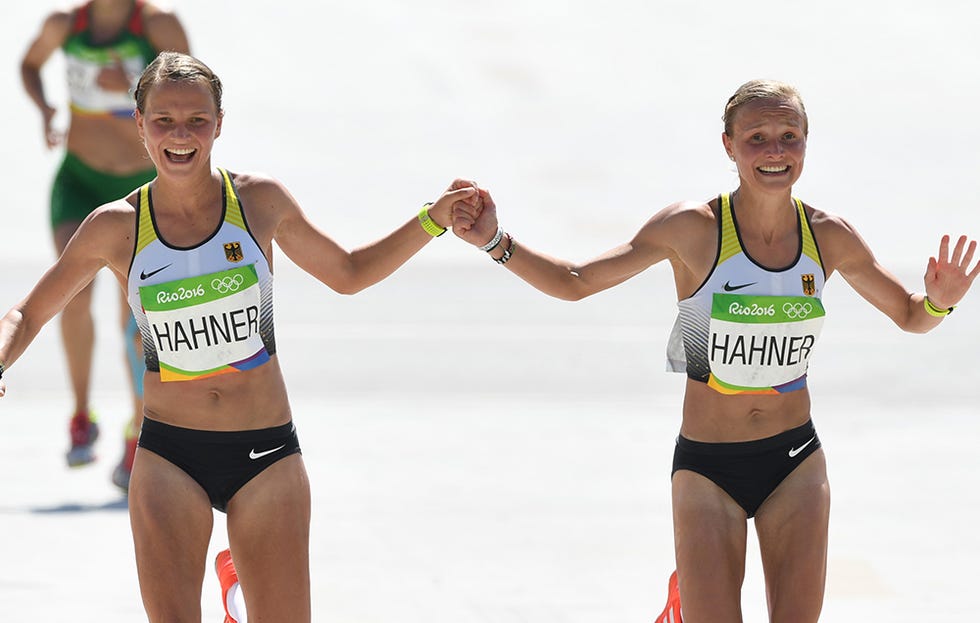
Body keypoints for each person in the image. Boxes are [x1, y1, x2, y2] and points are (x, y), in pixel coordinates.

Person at [451, 80, 979, 623]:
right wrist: (495, 240)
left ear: (805, 144)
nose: (775, 151)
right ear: (728, 145)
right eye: (757, 138)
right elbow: (576, 280)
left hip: (795, 461)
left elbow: (912, 316)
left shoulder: (829, 236)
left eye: (789, 137)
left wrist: (939, 303)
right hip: (707, 468)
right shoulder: (692, 229)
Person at [0, 51, 479, 622]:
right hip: (169, 455)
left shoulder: (257, 202)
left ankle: (237, 595)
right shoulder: (117, 226)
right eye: (164, 121)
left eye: (197, 120)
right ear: (140, 124)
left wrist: (433, 217)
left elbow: (348, 272)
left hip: (266, 452)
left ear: (220, 123)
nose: (181, 135)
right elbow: (27, 314)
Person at [20, 0, 190, 487]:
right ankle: (80, 417)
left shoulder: (157, 24)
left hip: (139, 187)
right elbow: (29, 63)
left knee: (137, 318)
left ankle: (138, 429)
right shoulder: (65, 24)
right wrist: (45, 107)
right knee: (70, 295)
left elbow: (193, 91)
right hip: (77, 180)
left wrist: (136, 86)